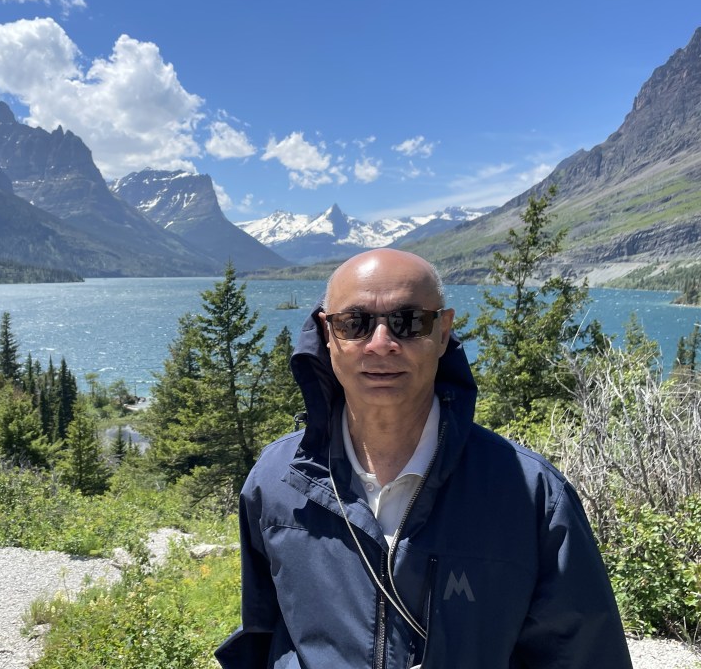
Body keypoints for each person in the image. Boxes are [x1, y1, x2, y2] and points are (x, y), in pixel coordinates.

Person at [215, 248, 632, 669]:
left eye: (408, 322)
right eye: (354, 323)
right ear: (328, 332)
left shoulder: (531, 496)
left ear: (443, 330)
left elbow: (585, 657)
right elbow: (264, 638)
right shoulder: (275, 481)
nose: (381, 344)